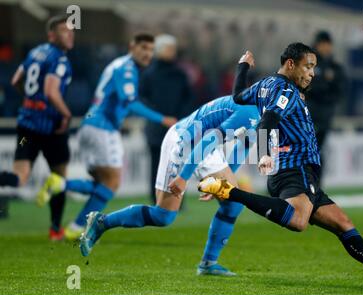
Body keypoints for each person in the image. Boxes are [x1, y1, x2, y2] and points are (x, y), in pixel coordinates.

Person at [198, 45, 363, 287]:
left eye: (313, 68)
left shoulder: (264, 85)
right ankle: (229, 191)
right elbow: (268, 121)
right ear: (291, 64)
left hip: (297, 172)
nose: (312, 73)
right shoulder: (285, 90)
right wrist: (263, 154)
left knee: (343, 224)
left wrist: (243, 66)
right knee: (298, 221)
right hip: (296, 168)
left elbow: (238, 96)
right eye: (308, 66)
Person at [78, 95, 260, 276]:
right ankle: (102, 222)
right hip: (184, 141)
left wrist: (222, 181)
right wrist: (184, 177)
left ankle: (208, 263)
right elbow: (208, 141)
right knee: (164, 215)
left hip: (196, 141)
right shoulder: (252, 111)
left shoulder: (262, 111)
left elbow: (243, 146)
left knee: (229, 203)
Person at [36, 34, 177, 241]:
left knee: (103, 183)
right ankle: (63, 189)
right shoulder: (127, 69)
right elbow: (129, 102)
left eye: (151, 49)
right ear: (131, 46)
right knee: (112, 182)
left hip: (91, 125)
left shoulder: (117, 65)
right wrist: (162, 119)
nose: (148, 53)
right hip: (103, 128)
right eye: (143, 48)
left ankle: (74, 225)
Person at [0, 15, 74, 240]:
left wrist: (31, 100)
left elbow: (15, 81)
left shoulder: (35, 53)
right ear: (51, 35)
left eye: (72, 31)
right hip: (52, 129)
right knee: (59, 178)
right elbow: (52, 92)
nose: (70, 35)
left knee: (20, 177)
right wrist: (66, 113)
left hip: (27, 128)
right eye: (64, 31)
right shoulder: (59, 60)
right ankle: (55, 229)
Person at [140, 34, 194, 203]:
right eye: (169, 49)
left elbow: (189, 98)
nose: (172, 52)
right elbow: (142, 99)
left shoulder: (180, 74)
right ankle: (156, 199)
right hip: (156, 127)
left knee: (178, 163)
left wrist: (182, 117)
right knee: (157, 165)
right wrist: (159, 117)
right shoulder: (148, 74)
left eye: (173, 49)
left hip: (179, 125)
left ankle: (177, 200)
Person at [306, 31, 346, 183]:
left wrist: (321, 88)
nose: (327, 48)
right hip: (306, 115)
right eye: (324, 44)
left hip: (323, 117)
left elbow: (340, 91)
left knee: (315, 150)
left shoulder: (335, 67)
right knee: (305, 149)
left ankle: (314, 184)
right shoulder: (306, 63)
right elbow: (308, 87)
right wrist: (325, 85)